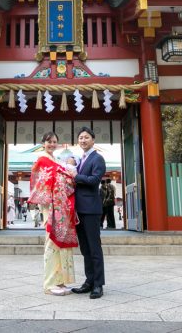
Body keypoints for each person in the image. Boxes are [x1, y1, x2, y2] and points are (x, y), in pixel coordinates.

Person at [28, 131, 78, 296]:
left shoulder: (56, 160)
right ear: (43, 143)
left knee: (60, 244)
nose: (51, 144)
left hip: (61, 207)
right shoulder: (42, 159)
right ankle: (49, 284)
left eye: (54, 141)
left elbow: (63, 178)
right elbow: (41, 182)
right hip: (51, 207)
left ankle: (60, 281)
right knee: (51, 244)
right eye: (48, 141)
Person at [71, 126, 106, 299]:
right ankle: (89, 281)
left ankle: (98, 284)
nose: (83, 140)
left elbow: (94, 180)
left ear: (93, 140)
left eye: (86, 137)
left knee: (94, 248)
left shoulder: (97, 158)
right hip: (79, 210)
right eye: (80, 138)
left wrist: (75, 176)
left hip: (91, 210)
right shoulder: (80, 159)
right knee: (85, 248)